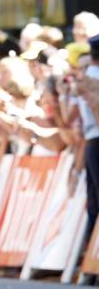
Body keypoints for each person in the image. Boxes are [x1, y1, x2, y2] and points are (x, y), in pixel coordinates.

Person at [80, 34, 99, 231]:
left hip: (91, 140)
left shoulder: (86, 77)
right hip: (96, 138)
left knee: (94, 197)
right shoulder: (94, 77)